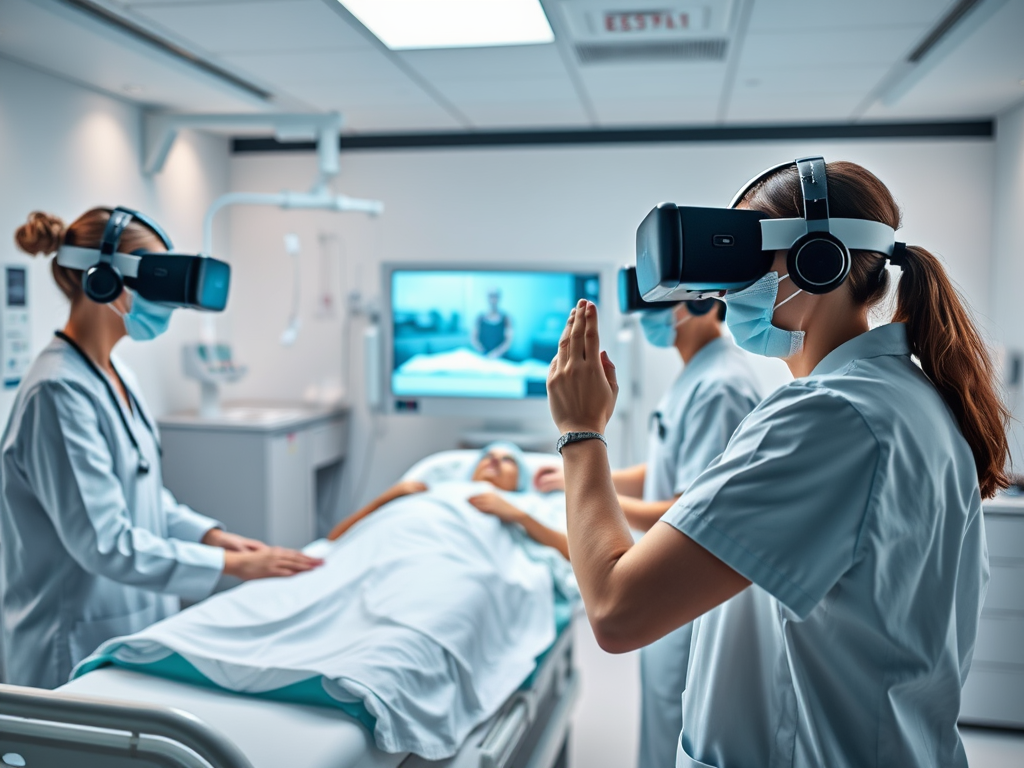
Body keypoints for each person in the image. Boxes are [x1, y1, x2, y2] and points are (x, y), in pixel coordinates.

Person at [545, 161, 1008, 767]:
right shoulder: (902, 395)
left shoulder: (830, 418)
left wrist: (580, 433)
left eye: (745, 256)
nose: (725, 288)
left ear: (819, 260)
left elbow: (614, 609)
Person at [1, 209, 322, 689]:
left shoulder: (113, 373)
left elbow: (142, 492)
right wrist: (234, 567)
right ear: (104, 279)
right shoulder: (57, 392)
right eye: (157, 276)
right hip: (70, 644)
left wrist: (210, 537)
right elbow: (104, 542)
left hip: (132, 625)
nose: (168, 300)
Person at [535, 298, 763, 768]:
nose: (647, 312)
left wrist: (581, 443)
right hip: (671, 618)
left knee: (673, 737)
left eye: (661, 297)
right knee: (661, 734)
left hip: (688, 610)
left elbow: (692, 508)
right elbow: (666, 468)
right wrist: (583, 478)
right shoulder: (697, 373)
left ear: (701, 299)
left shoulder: (721, 386)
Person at [329, 442, 569, 559]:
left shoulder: (527, 504)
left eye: (508, 460)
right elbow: (334, 541)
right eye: (487, 456)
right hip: (392, 552)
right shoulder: (435, 490)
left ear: (520, 481)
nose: (494, 461)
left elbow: (573, 553)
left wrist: (519, 516)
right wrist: (387, 498)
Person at [471, 288, 513, 358]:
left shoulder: (506, 319)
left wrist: (496, 354)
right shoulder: (480, 318)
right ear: (487, 298)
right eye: (491, 296)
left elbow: (508, 342)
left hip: (500, 359)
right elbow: (473, 339)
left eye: (495, 296)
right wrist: (481, 351)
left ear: (499, 298)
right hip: (482, 357)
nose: (493, 299)